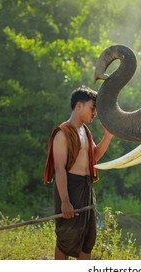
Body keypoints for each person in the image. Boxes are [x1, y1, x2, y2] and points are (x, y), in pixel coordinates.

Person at [44, 85, 113, 260]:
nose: (95, 113)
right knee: (67, 239)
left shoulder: (85, 132)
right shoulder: (62, 134)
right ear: (79, 106)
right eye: (92, 108)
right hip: (70, 187)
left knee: (87, 240)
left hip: (86, 187)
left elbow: (94, 156)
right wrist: (65, 202)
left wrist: (108, 136)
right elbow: (59, 170)